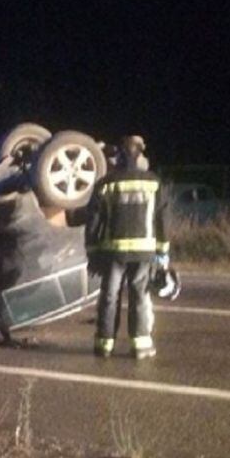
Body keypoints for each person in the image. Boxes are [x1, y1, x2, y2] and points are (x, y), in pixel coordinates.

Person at [85, 135, 170, 359]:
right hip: (143, 252)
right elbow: (162, 220)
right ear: (140, 154)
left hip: (113, 253)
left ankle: (104, 345)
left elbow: (93, 221)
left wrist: (92, 253)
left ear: (119, 155)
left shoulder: (106, 184)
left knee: (109, 296)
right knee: (139, 296)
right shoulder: (153, 182)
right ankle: (140, 346)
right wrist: (163, 252)